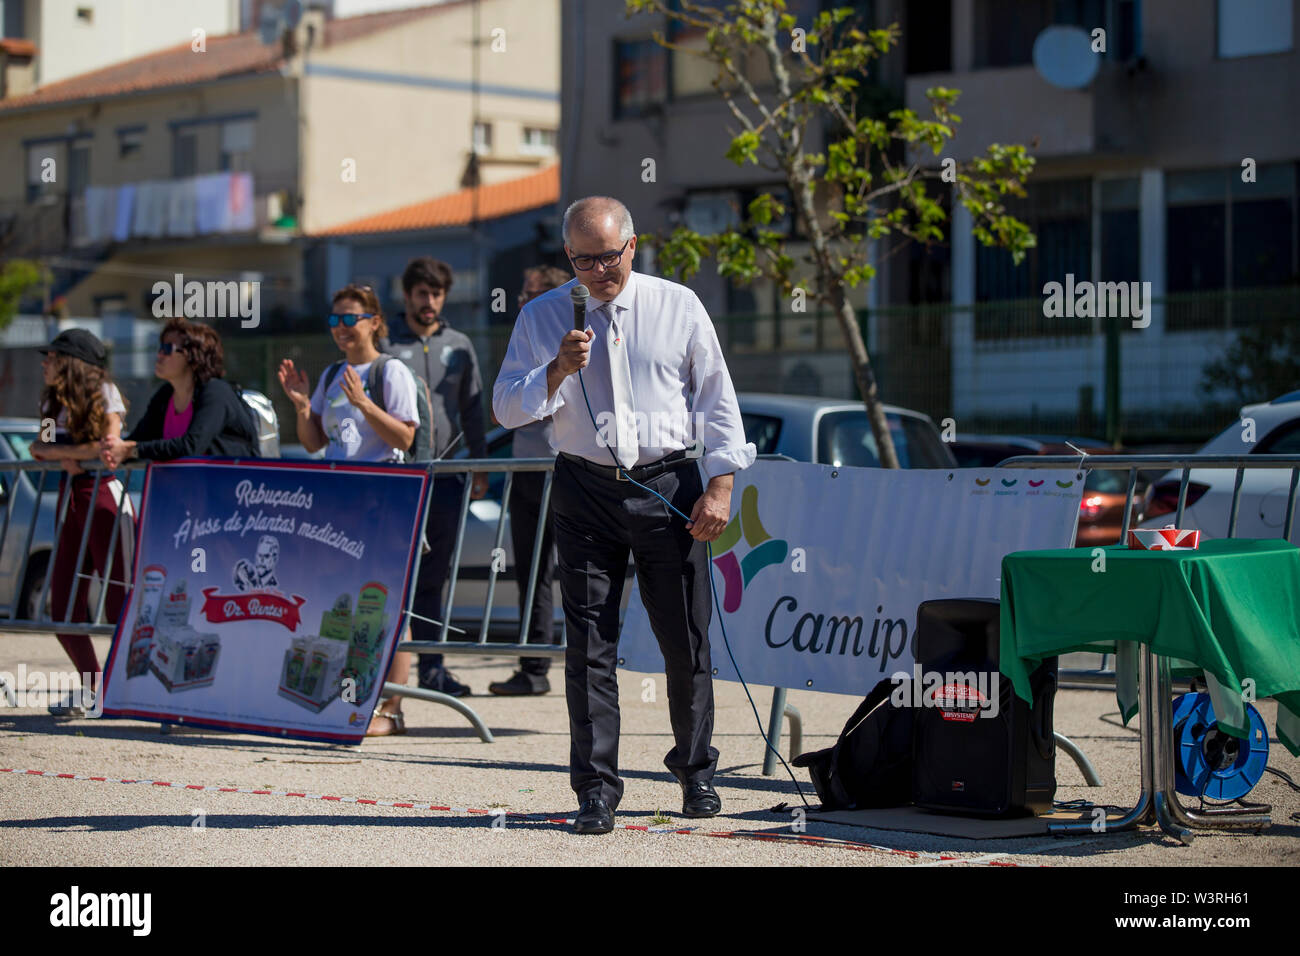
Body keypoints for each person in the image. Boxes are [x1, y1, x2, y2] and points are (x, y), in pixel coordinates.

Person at [493, 197, 755, 834]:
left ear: (632, 247)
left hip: (667, 482)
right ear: (569, 259)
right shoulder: (542, 315)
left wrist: (719, 489)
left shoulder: (678, 305)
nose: (597, 271)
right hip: (584, 489)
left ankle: (696, 772)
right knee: (588, 647)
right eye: (583, 260)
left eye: (608, 257)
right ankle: (596, 790)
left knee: (684, 639)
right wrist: (555, 369)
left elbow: (717, 402)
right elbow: (506, 408)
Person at [276, 284, 420, 736]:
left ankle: (392, 711)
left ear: (373, 321)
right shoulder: (331, 374)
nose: (341, 328)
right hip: (342, 509)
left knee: (390, 607)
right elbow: (314, 442)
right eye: (334, 319)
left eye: (350, 318)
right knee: (347, 605)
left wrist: (364, 404)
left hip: (385, 506)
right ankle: (349, 698)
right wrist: (301, 407)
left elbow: (405, 439)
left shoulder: (390, 371)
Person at [380, 257, 488, 698]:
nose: (430, 302)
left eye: (437, 294)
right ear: (406, 295)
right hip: (398, 476)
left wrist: (479, 461)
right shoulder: (384, 342)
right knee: (392, 571)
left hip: (447, 475)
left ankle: (433, 667)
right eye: (422, 293)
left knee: (435, 574)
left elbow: (473, 407)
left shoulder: (459, 344)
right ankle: (382, 669)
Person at [30, 329, 134, 713]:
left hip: (104, 496)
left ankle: (122, 688)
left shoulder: (103, 392)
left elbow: (108, 446)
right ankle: (95, 687)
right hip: (71, 497)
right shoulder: (50, 400)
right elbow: (39, 448)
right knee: (63, 605)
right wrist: (61, 455)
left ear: (73, 362)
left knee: (119, 600)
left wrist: (65, 453)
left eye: (53, 356)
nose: (44, 363)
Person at [489, 264, 571, 696]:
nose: (521, 303)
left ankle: (585, 665)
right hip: (527, 473)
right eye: (520, 294)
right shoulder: (525, 342)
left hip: (563, 469)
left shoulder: (570, 343)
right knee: (533, 572)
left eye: (529, 294)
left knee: (580, 572)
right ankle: (534, 668)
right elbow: (500, 408)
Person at [99, 318, 259, 467]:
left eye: (167, 348)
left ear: (193, 356)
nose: (159, 354)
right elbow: (138, 441)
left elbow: (191, 446)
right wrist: (114, 451)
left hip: (226, 492)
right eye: (160, 347)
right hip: (183, 493)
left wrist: (129, 450)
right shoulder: (165, 395)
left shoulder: (216, 393)